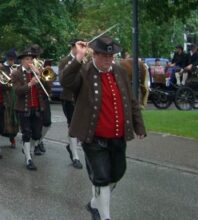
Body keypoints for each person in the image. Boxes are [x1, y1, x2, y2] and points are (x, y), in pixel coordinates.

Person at [60, 35, 146, 220]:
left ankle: (94, 204)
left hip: (118, 136)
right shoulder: (84, 71)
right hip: (94, 138)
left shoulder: (120, 71)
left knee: (117, 173)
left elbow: (130, 100)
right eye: (104, 56)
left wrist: (139, 125)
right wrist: (78, 57)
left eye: (111, 56)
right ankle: (105, 216)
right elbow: (66, 81)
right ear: (94, 55)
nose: (108, 59)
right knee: (101, 177)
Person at [12, 48, 47, 171]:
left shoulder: (37, 72)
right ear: (22, 61)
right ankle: (28, 158)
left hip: (37, 107)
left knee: (37, 134)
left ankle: (27, 149)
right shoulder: (16, 73)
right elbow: (17, 91)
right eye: (27, 59)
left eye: (31, 59)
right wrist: (30, 84)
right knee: (26, 133)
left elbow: (47, 88)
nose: (30, 61)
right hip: (23, 108)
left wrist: (40, 76)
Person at [58, 39, 84, 169]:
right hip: (68, 98)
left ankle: (71, 145)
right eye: (80, 46)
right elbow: (63, 80)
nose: (83, 48)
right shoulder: (64, 61)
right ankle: (75, 156)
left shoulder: (86, 60)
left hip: (82, 99)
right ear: (73, 47)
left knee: (82, 126)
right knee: (72, 126)